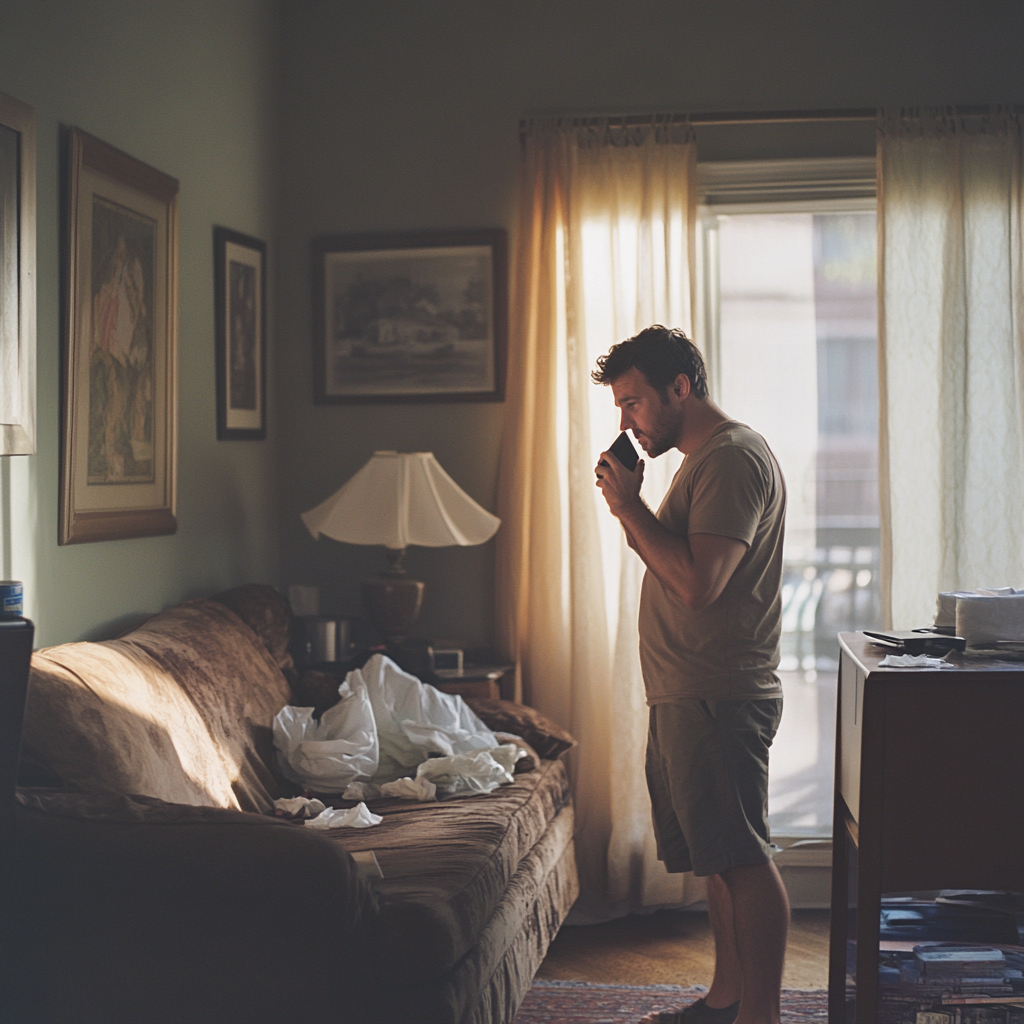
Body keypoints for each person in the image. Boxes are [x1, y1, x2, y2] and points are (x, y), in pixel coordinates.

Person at [592, 326, 789, 1024]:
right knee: (718, 857)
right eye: (620, 407)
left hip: (718, 694)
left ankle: (758, 1015)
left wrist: (627, 508)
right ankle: (726, 1000)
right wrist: (636, 507)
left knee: (741, 856)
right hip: (689, 691)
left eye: (634, 402)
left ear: (681, 388)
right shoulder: (698, 460)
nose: (626, 421)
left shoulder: (731, 460)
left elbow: (700, 585)